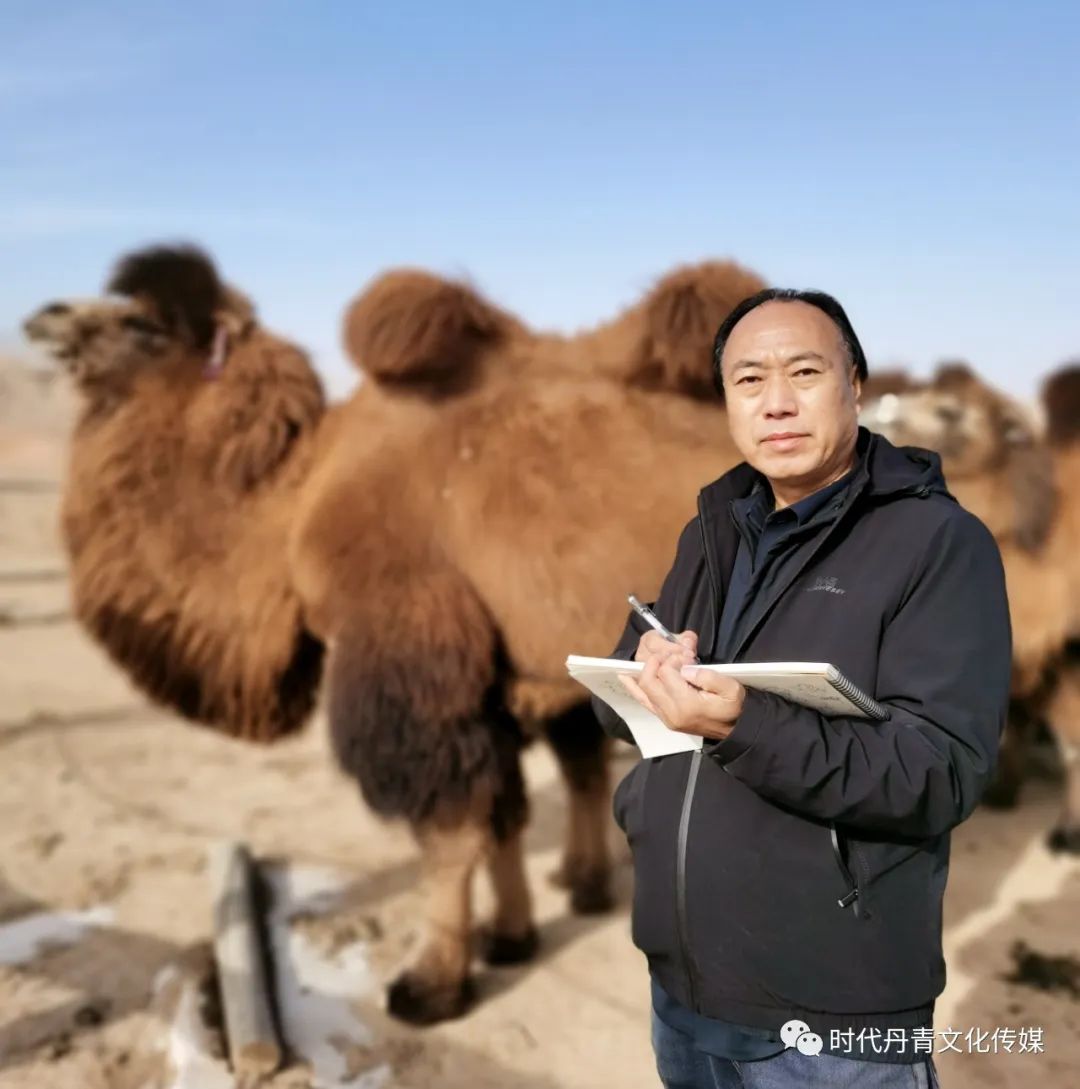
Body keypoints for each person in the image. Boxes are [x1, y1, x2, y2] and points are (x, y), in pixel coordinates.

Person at [593, 288, 1011, 1089]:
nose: (776, 403)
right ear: (725, 401)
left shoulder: (937, 544)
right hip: (684, 992)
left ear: (853, 383)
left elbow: (940, 770)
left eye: (804, 372)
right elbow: (628, 707)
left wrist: (746, 724)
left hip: (834, 1024)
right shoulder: (714, 529)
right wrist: (639, 668)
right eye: (749, 381)